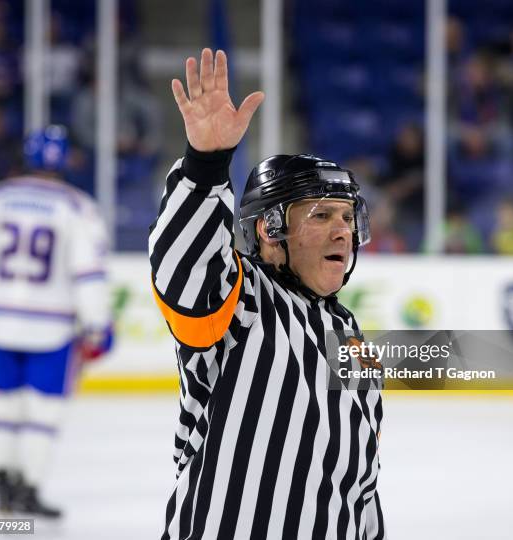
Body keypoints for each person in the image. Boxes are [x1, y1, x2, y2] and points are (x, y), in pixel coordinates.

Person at [149, 48, 385, 540]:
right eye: (321, 216)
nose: (342, 231)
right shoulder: (241, 301)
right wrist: (205, 166)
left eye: (348, 218)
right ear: (268, 230)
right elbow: (180, 269)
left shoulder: (351, 340)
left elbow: (360, 479)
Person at [0, 125, 113, 517]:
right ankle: (27, 487)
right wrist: (98, 323)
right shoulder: (77, 206)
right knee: (44, 413)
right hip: (51, 326)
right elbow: (88, 272)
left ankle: (2, 480)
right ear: (65, 160)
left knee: (5, 404)